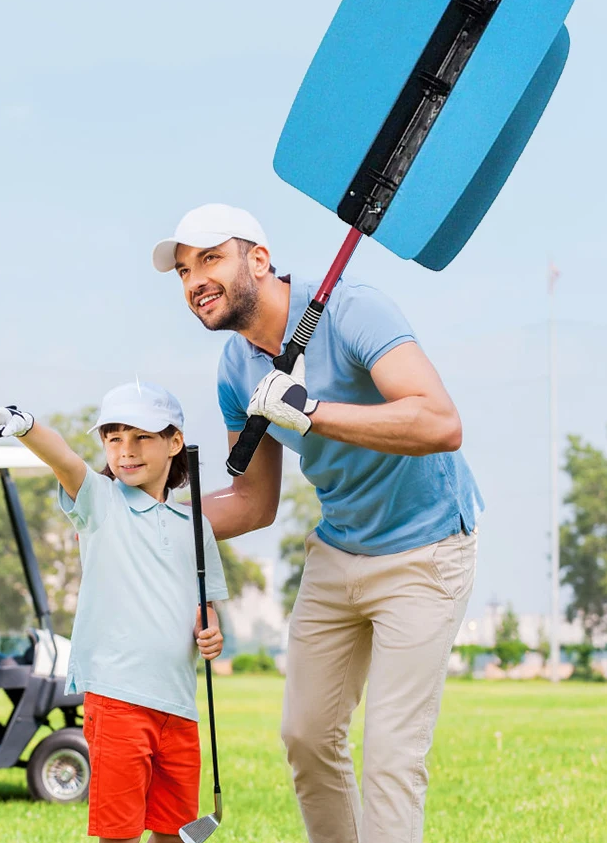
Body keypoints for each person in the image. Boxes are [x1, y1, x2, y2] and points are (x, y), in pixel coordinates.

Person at [152, 203, 482, 843]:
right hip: (337, 550)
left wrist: (312, 410)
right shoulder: (236, 370)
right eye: (184, 271)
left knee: (391, 756)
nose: (195, 281)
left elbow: (441, 423)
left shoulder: (353, 310)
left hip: (427, 550)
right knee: (306, 737)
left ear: (259, 260)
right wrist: (155, 517)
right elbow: (253, 502)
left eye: (210, 259)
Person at [0, 381, 229, 843]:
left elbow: (205, 606)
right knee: (120, 833)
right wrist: (25, 426)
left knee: (173, 831)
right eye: (114, 438)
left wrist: (210, 629)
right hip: (118, 700)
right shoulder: (102, 502)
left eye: (141, 437)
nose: (125, 450)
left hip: (179, 705)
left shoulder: (195, 526)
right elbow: (65, 461)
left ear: (175, 442)